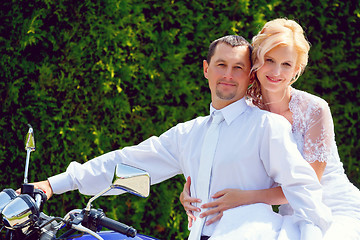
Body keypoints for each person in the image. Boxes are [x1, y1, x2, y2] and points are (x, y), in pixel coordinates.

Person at [31, 35, 331, 239]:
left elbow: (302, 187)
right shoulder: (188, 133)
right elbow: (128, 163)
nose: (229, 74)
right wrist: (53, 185)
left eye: (238, 67)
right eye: (221, 65)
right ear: (206, 69)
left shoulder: (267, 127)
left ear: (249, 76)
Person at [180, 18, 360, 239]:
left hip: (332, 209)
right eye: (269, 60)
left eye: (286, 64)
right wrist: (192, 193)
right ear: (256, 61)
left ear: (297, 69)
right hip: (288, 213)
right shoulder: (245, 109)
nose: (276, 71)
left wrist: (244, 198)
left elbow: (307, 187)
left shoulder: (315, 110)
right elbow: (218, 155)